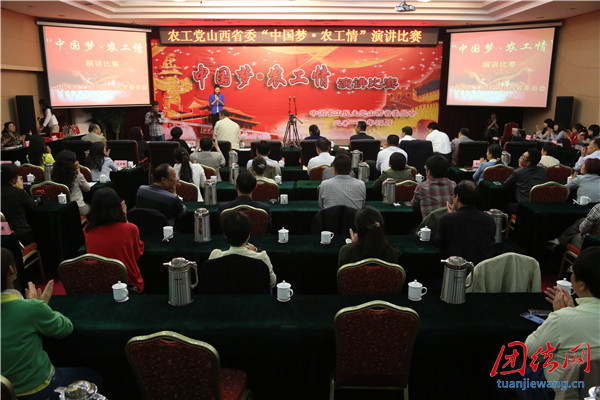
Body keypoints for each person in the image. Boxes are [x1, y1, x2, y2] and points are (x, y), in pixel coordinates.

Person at [1, 248, 102, 400]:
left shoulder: (30, 308)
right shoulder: (32, 308)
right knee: (95, 377)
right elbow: (65, 328)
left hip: (5, 393)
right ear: (11, 270)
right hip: (39, 388)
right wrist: (41, 307)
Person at [522, 247, 600, 397]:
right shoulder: (567, 316)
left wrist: (560, 314)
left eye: (572, 271)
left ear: (581, 284)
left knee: (498, 366)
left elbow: (532, 352)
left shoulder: (562, 318)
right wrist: (572, 311)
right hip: (594, 392)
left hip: (559, 391)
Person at [84, 188, 145, 293]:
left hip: (99, 284)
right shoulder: (130, 229)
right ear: (117, 206)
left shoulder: (87, 230)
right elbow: (138, 253)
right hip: (127, 284)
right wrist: (125, 218)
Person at [208, 212, 276, 288]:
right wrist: (252, 254)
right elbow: (272, 283)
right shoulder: (261, 258)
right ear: (249, 235)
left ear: (225, 235)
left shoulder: (215, 256)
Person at [437, 181, 495, 265]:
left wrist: (451, 216)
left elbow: (439, 243)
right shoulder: (489, 219)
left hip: (457, 268)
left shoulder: (447, 219)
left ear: (457, 197)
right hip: (483, 269)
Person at [1, 163, 37, 245]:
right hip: (20, 235)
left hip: (3, 235)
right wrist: (21, 190)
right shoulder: (18, 193)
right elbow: (34, 207)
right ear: (13, 179)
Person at [411, 155, 456, 219]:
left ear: (429, 172)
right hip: (449, 224)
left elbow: (414, 206)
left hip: (430, 224)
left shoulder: (422, 187)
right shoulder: (454, 185)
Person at [52, 150, 91, 216]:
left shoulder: (54, 174)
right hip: (78, 208)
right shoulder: (77, 175)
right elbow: (87, 189)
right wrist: (79, 173)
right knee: (92, 206)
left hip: (61, 208)